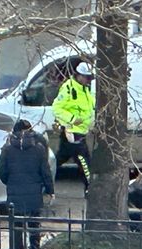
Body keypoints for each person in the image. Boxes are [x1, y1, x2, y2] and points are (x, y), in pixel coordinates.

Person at [0, 119, 55, 249]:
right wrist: (50, 190)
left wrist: (10, 182)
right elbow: (45, 172)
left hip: (14, 193)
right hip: (34, 193)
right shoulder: (39, 148)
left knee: (16, 228)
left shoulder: (8, 149)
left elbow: (1, 171)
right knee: (34, 226)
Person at [52, 61, 95, 194]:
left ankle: (42, 177)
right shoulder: (69, 88)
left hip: (80, 132)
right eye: (87, 77)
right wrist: (72, 119)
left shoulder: (84, 89)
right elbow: (57, 108)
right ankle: (89, 188)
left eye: (90, 78)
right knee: (84, 162)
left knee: (60, 159)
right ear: (79, 75)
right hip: (72, 133)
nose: (88, 80)